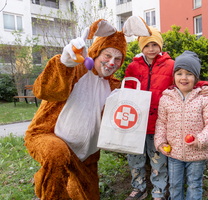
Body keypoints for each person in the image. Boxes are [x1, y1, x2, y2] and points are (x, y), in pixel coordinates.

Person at [24, 16, 151, 200]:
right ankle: (46, 193)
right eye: (107, 55)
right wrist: (64, 64)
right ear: (96, 52)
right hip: (49, 135)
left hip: (88, 154)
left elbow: (127, 111)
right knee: (57, 155)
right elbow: (44, 90)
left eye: (118, 58)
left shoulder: (114, 86)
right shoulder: (76, 69)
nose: (111, 63)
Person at [124, 28, 208, 200]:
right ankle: (138, 187)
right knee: (135, 159)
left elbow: (186, 79)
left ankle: (158, 192)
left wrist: (207, 87)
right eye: (147, 45)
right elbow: (127, 91)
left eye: (155, 44)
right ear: (141, 46)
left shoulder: (170, 65)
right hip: (136, 123)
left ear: (160, 45)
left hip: (155, 123)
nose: (151, 49)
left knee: (158, 159)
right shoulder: (133, 66)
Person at [154, 51, 208, 200]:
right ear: (174, 76)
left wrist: (201, 139)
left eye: (189, 74)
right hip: (174, 153)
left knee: (194, 185)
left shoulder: (205, 98)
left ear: (196, 77)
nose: (184, 77)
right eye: (179, 73)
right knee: (174, 185)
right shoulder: (166, 98)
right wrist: (160, 141)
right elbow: (161, 123)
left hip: (197, 154)